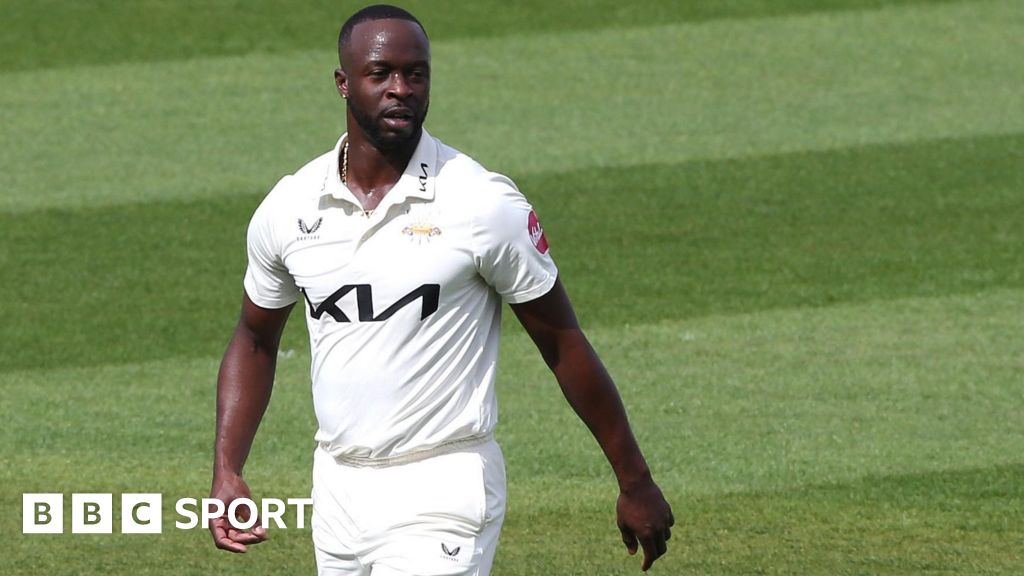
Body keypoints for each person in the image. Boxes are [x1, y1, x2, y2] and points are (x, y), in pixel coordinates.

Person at [209, 4, 673, 574]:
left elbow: (562, 343)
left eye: (416, 73)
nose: (401, 88)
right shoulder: (289, 207)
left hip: (445, 485)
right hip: (336, 488)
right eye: (381, 73)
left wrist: (635, 479)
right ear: (343, 83)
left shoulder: (482, 203)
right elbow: (255, 338)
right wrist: (227, 467)